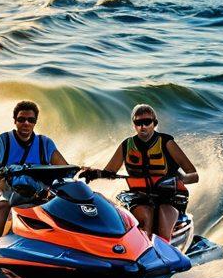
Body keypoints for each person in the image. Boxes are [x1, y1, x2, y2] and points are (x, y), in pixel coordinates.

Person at [80, 103, 199, 241]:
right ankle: (141, 252)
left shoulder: (167, 142)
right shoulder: (126, 145)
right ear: (134, 125)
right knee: (144, 220)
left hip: (169, 197)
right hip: (140, 196)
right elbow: (109, 172)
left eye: (147, 122)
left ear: (154, 123)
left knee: (163, 226)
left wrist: (180, 180)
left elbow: (194, 175)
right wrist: (93, 173)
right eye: (138, 122)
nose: (143, 126)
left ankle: (165, 251)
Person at [0, 100, 68, 243]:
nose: (26, 123)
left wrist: (85, 171)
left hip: (37, 191)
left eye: (31, 120)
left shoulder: (45, 143)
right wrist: (3, 174)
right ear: (15, 121)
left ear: (35, 122)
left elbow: (65, 170)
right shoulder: (3, 141)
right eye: (21, 119)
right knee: (2, 206)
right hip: (7, 190)